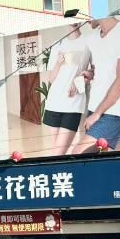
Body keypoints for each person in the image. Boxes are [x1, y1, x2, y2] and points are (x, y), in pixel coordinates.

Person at [74, 16, 120, 154]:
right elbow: (100, 68)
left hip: (113, 112)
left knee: (78, 153)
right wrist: (90, 74)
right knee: (98, 157)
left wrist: (97, 113)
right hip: (93, 108)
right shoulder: (94, 38)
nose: (84, 19)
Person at [42, 23, 91, 155]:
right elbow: (51, 79)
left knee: (58, 153)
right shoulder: (58, 45)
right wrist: (58, 63)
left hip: (73, 104)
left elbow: (93, 71)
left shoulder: (88, 42)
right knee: (57, 152)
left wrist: (80, 81)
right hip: (54, 103)